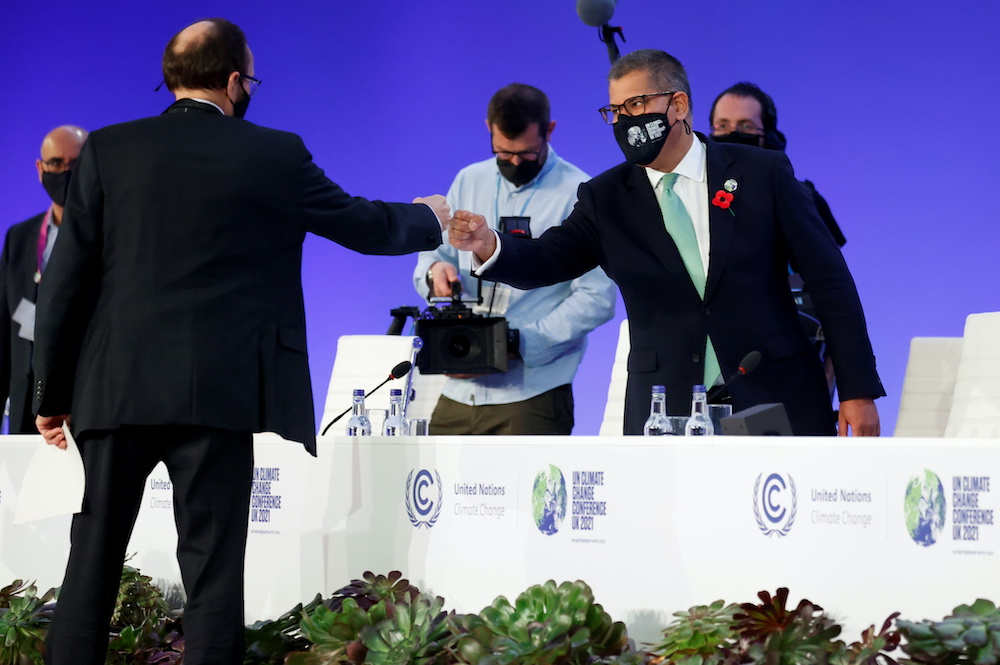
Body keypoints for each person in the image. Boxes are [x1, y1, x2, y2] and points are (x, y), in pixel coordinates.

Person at [33, 18, 448, 665]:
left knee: (91, 559)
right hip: (218, 395)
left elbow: (64, 281)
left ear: (171, 79)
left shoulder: (107, 151)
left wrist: (50, 393)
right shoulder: (273, 153)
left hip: (115, 388)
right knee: (213, 573)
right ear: (234, 82)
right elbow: (361, 224)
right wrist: (432, 217)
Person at [449, 49, 884, 437]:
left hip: (776, 396)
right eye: (615, 110)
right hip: (666, 411)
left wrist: (857, 391)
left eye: (637, 104)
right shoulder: (606, 198)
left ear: (678, 105)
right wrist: (489, 244)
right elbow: (547, 260)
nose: (625, 121)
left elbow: (831, 284)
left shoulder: (762, 174)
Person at [412, 83, 615, 435]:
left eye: (526, 153)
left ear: (549, 131)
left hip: (531, 394)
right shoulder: (469, 179)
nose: (515, 162)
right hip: (459, 393)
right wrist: (434, 272)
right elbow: (436, 253)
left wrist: (518, 344)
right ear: (489, 129)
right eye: (503, 154)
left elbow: (596, 298)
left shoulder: (581, 192)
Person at [709, 82, 844, 395]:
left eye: (745, 126)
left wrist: (832, 383)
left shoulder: (801, 198)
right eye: (723, 126)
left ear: (768, 136)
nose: (732, 134)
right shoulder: (690, 200)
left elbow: (835, 294)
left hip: (786, 369)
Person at [0, 125, 87, 434]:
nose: (65, 172)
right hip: (26, 401)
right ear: (40, 168)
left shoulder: (112, 236)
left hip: (86, 402)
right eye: (56, 164)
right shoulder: (20, 238)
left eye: (75, 165)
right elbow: (4, 328)